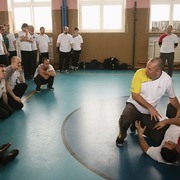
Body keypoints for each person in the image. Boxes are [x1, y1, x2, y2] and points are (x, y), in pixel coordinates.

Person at [116, 57, 180, 147]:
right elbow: (135, 95)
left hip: (149, 112)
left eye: (149, 69)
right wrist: (150, 107)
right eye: (146, 66)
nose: (146, 70)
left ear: (158, 71)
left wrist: (178, 108)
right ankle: (122, 135)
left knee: (158, 138)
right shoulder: (139, 73)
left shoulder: (167, 80)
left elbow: (172, 97)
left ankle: (136, 122)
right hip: (135, 105)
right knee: (125, 118)